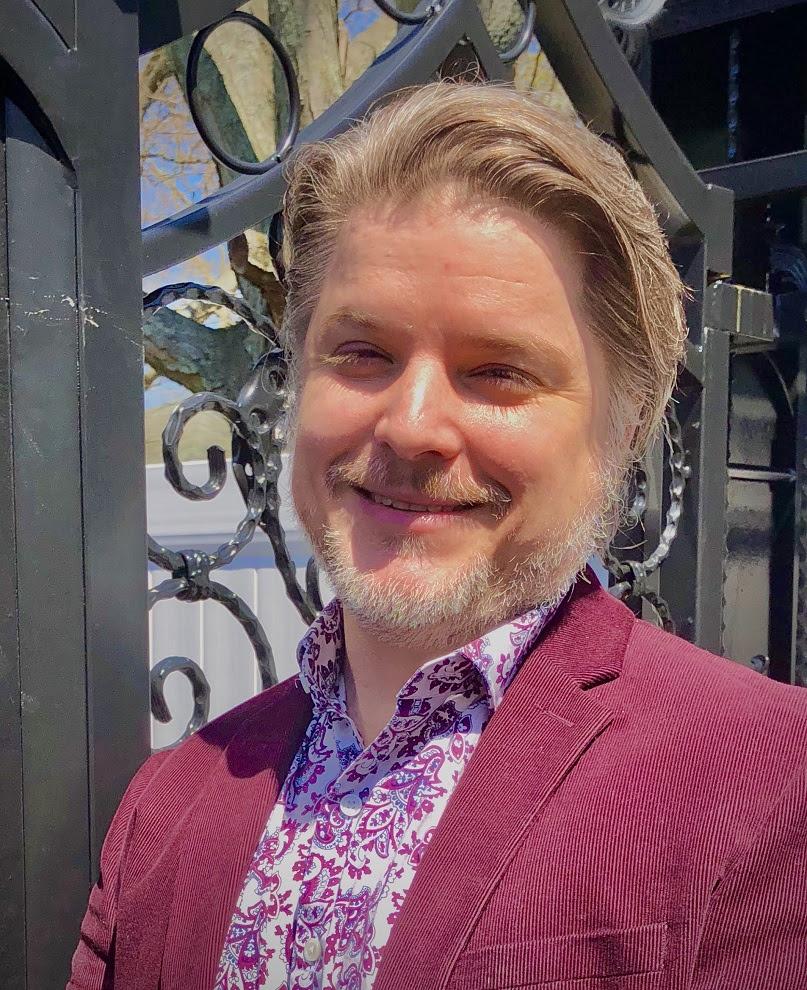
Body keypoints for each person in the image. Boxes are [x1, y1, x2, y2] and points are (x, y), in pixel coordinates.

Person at [69, 82, 807, 990]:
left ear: (623, 426)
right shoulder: (168, 806)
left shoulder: (770, 784)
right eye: (362, 354)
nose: (410, 425)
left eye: (498, 370)